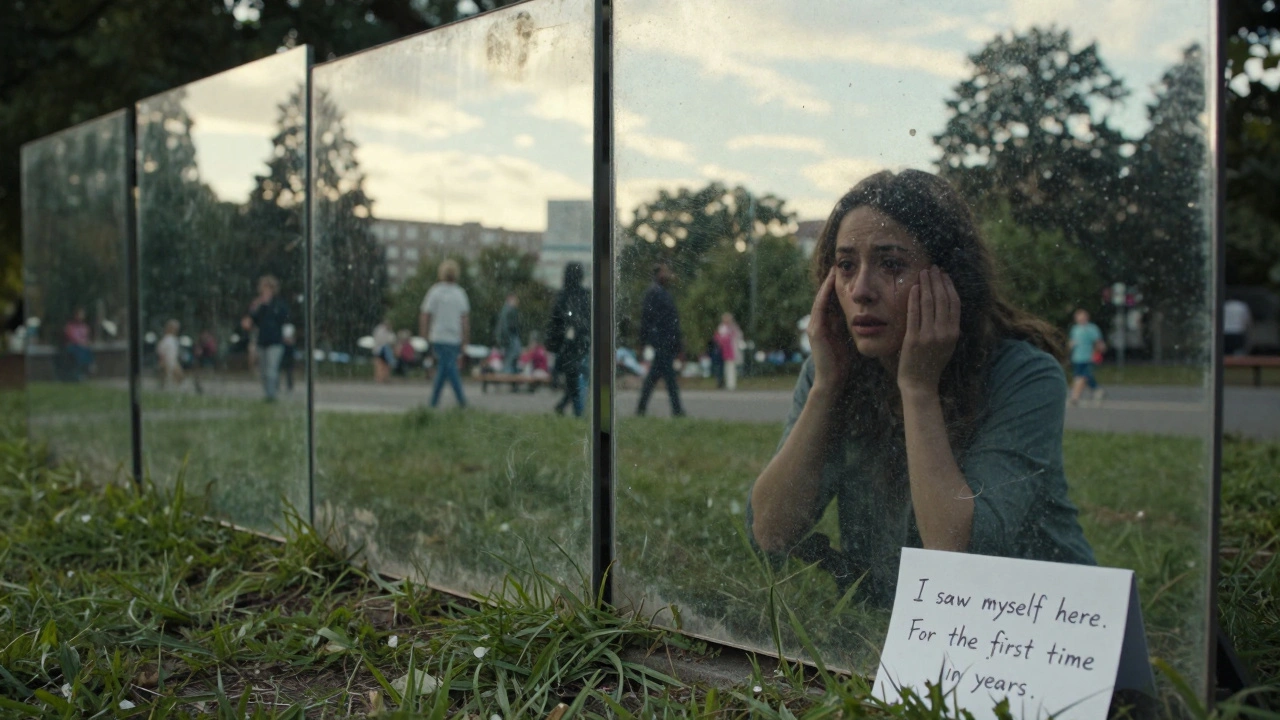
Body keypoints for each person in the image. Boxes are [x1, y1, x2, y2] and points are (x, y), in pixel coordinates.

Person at [747, 170, 1095, 606]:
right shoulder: (833, 369)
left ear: (949, 279)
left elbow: (962, 561)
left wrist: (917, 389)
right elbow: (771, 532)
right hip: (918, 641)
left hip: (1048, 630)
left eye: (891, 264)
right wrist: (826, 387)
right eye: (846, 265)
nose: (860, 290)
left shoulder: (1025, 376)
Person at [636, 262, 685, 417]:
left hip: (665, 341)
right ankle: (677, 411)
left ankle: (642, 409)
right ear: (658, 274)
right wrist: (643, 342)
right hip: (661, 341)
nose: (668, 275)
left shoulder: (661, 293)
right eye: (665, 272)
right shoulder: (655, 293)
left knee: (655, 377)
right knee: (669, 379)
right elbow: (647, 320)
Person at [420, 259, 470, 408]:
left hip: (438, 336)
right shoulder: (460, 294)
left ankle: (433, 403)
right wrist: (465, 340)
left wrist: (424, 334)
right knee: (450, 368)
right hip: (453, 338)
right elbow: (465, 320)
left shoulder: (435, 292)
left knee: (444, 368)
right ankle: (461, 402)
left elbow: (425, 314)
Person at [546, 262, 591, 417]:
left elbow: (555, 322)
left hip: (567, 345)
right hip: (582, 343)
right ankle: (576, 411)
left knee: (573, 379)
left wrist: (554, 343)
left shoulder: (563, 296)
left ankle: (570, 408)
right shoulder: (585, 295)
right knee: (577, 378)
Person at [241, 275, 290, 402]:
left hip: (275, 341)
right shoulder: (258, 305)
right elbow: (252, 320)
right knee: (263, 370)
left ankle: (272, 395)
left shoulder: (278, 304)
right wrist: (255, 308)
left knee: (271, 369)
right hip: (262, 341)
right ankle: (267, 392)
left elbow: (284, 318)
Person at [1068, 309, 1105, 406]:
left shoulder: (1091, 329)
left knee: (1081, 377)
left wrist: (1098, 351)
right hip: (1077, 357)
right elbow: (1072, 342)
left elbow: (1098, 342)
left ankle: (1075, 397)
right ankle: (1097, 389)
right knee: (1084, 377)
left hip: (1088, 357)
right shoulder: (1075, 329)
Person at [495, 294, 523, 376]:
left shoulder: (507, 310)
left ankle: (510, 371)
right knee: (512, 354)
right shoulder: (509, 310)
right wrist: (507, 337)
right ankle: (508, 372)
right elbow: (506, 325)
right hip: (510, 336)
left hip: (509, 336)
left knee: (511, 354)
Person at [63, 307, 94, 381]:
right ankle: (83, 370)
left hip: (83, 346)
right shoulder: (70, 326)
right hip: (73, 346)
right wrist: (82, 342)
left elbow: (86, 337)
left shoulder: (84, 327)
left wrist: (86, 342)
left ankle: (89, 366)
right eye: (79, 315)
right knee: (80, 350)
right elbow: (72, 337)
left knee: (86, 349)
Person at [715, 313, 744, 391]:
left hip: (731, 349)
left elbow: (738, 336)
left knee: (731, 367)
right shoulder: (723, 327)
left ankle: (731, 384)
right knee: (727, 367)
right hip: (725, 349)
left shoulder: (733, 327)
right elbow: (720, 337)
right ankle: (728, 383)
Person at [156, 319, 183, 389]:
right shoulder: (166, 339)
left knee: (177, 378)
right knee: (168, 378)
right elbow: (161, 351)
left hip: (173, 361)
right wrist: (162, 361)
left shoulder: (174, 339)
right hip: (168, 361)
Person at [372, 317, 396, 383]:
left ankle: (384, 378)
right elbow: (390, 340)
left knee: (385, 365)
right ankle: (380, 378)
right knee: (380, 365)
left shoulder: (388, 331)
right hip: (380, 350)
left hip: (384, 351)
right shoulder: (380, 330)